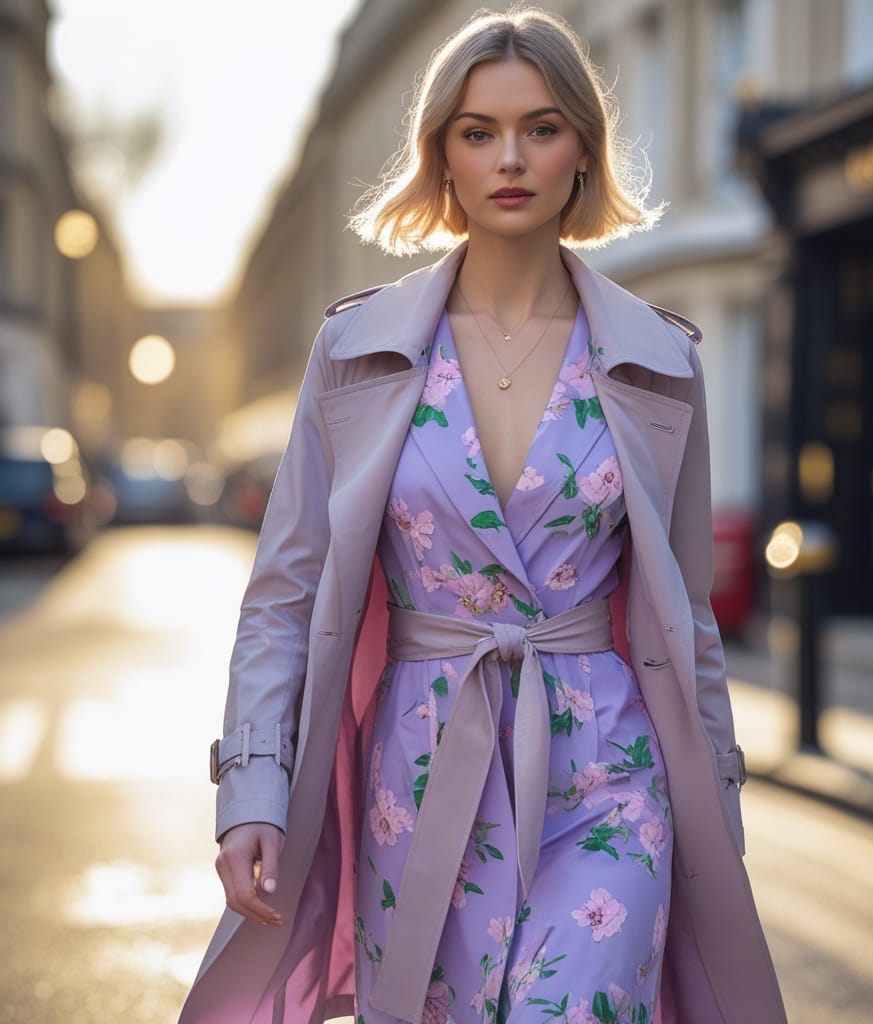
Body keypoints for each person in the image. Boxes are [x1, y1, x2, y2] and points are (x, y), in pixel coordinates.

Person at [180, 6, 787, 1024]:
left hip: (611, 778)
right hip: (418, 777)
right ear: (442, 158)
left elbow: (687, 619)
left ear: (583, 153)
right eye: (478, 132)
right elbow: (282, 593)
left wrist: (715, 809)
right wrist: (249, 788)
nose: (511, 157)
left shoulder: (663, 359)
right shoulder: (353, 352)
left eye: (541, 128)